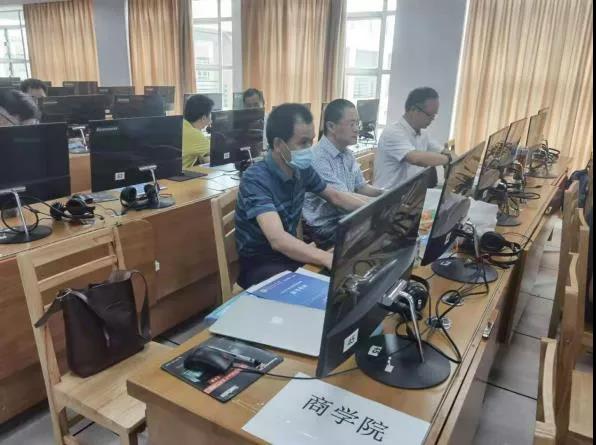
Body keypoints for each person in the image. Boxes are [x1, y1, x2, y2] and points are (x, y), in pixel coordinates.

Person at [235, 103, 369, 288]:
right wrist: (325, 257)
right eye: (302, 142)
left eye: (311, 141)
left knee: (349, 279)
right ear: (278, 145)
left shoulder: (301, 169)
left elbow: (335, 197)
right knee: (328, 287)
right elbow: (277, 239)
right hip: (260, 264)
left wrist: (379, 206)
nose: (309, 149)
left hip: (289, 255)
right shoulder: (256, 178)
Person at [304, 99, 384, 248]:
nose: (357, 129)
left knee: (389, 228)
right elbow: (341, 199)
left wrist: (385, 193)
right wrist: (380, 206)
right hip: (325, 227)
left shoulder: (347, 153)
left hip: (345, 217)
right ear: (331, 126)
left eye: (357, 124)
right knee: (381, 234)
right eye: (352, 124)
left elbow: (361, 187)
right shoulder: (318, 157)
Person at [374, 87, 450, 190]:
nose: (432, 119)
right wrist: (447, 159)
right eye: (430, 115)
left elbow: (441, 151)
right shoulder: (393, 132)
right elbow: (415, 158)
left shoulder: (423, 133)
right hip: (390, 195)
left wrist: (449, 155)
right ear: (414, 110)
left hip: (412, 194)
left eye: (434, 115)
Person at [182, 94, 213, 169]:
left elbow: (204, 157)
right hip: (178, 175)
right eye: (210, 113)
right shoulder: (194, 135)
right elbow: (218, 154)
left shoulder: (182, 125)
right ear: (203, 118)